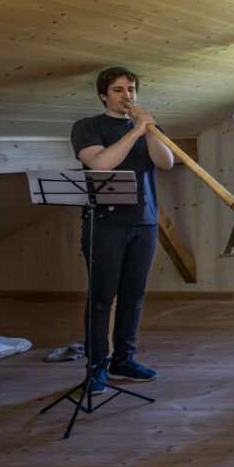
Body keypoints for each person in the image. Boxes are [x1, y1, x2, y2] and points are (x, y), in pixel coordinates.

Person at [70, 67, 174, 393]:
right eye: (118, 90)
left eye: (130, 89)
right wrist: (134, 131)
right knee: (102, 299)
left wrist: (150, 130)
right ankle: (96, 367)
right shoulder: (88, 127)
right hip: (105, 223)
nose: (126, 95)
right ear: (104, 95)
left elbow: (166, 162)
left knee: (133, 296)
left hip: (144, 222)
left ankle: (123, 360)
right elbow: (100, 164)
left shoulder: (145, 127)